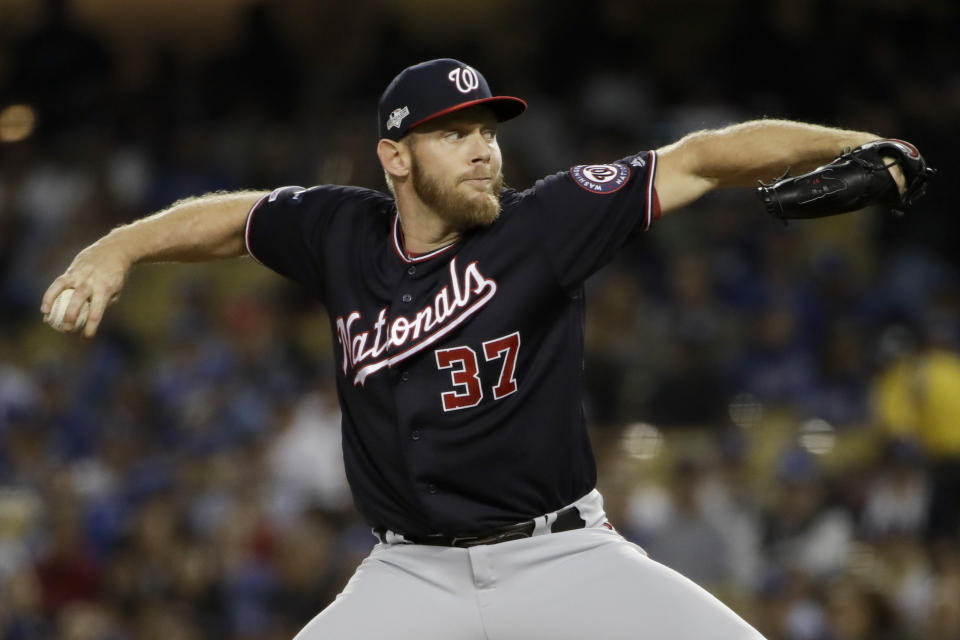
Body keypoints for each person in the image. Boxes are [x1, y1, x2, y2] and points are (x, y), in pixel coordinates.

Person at [43, 58, 924, 639]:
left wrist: (854, 145)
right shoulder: (341, 233)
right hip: (410, 573)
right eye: (454, 133)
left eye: (489, 132)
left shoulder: (547, 222)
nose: (483, 151)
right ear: (396, 155)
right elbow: (236, 219)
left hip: (564, 554)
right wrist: (114, 248)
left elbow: (701, 157)